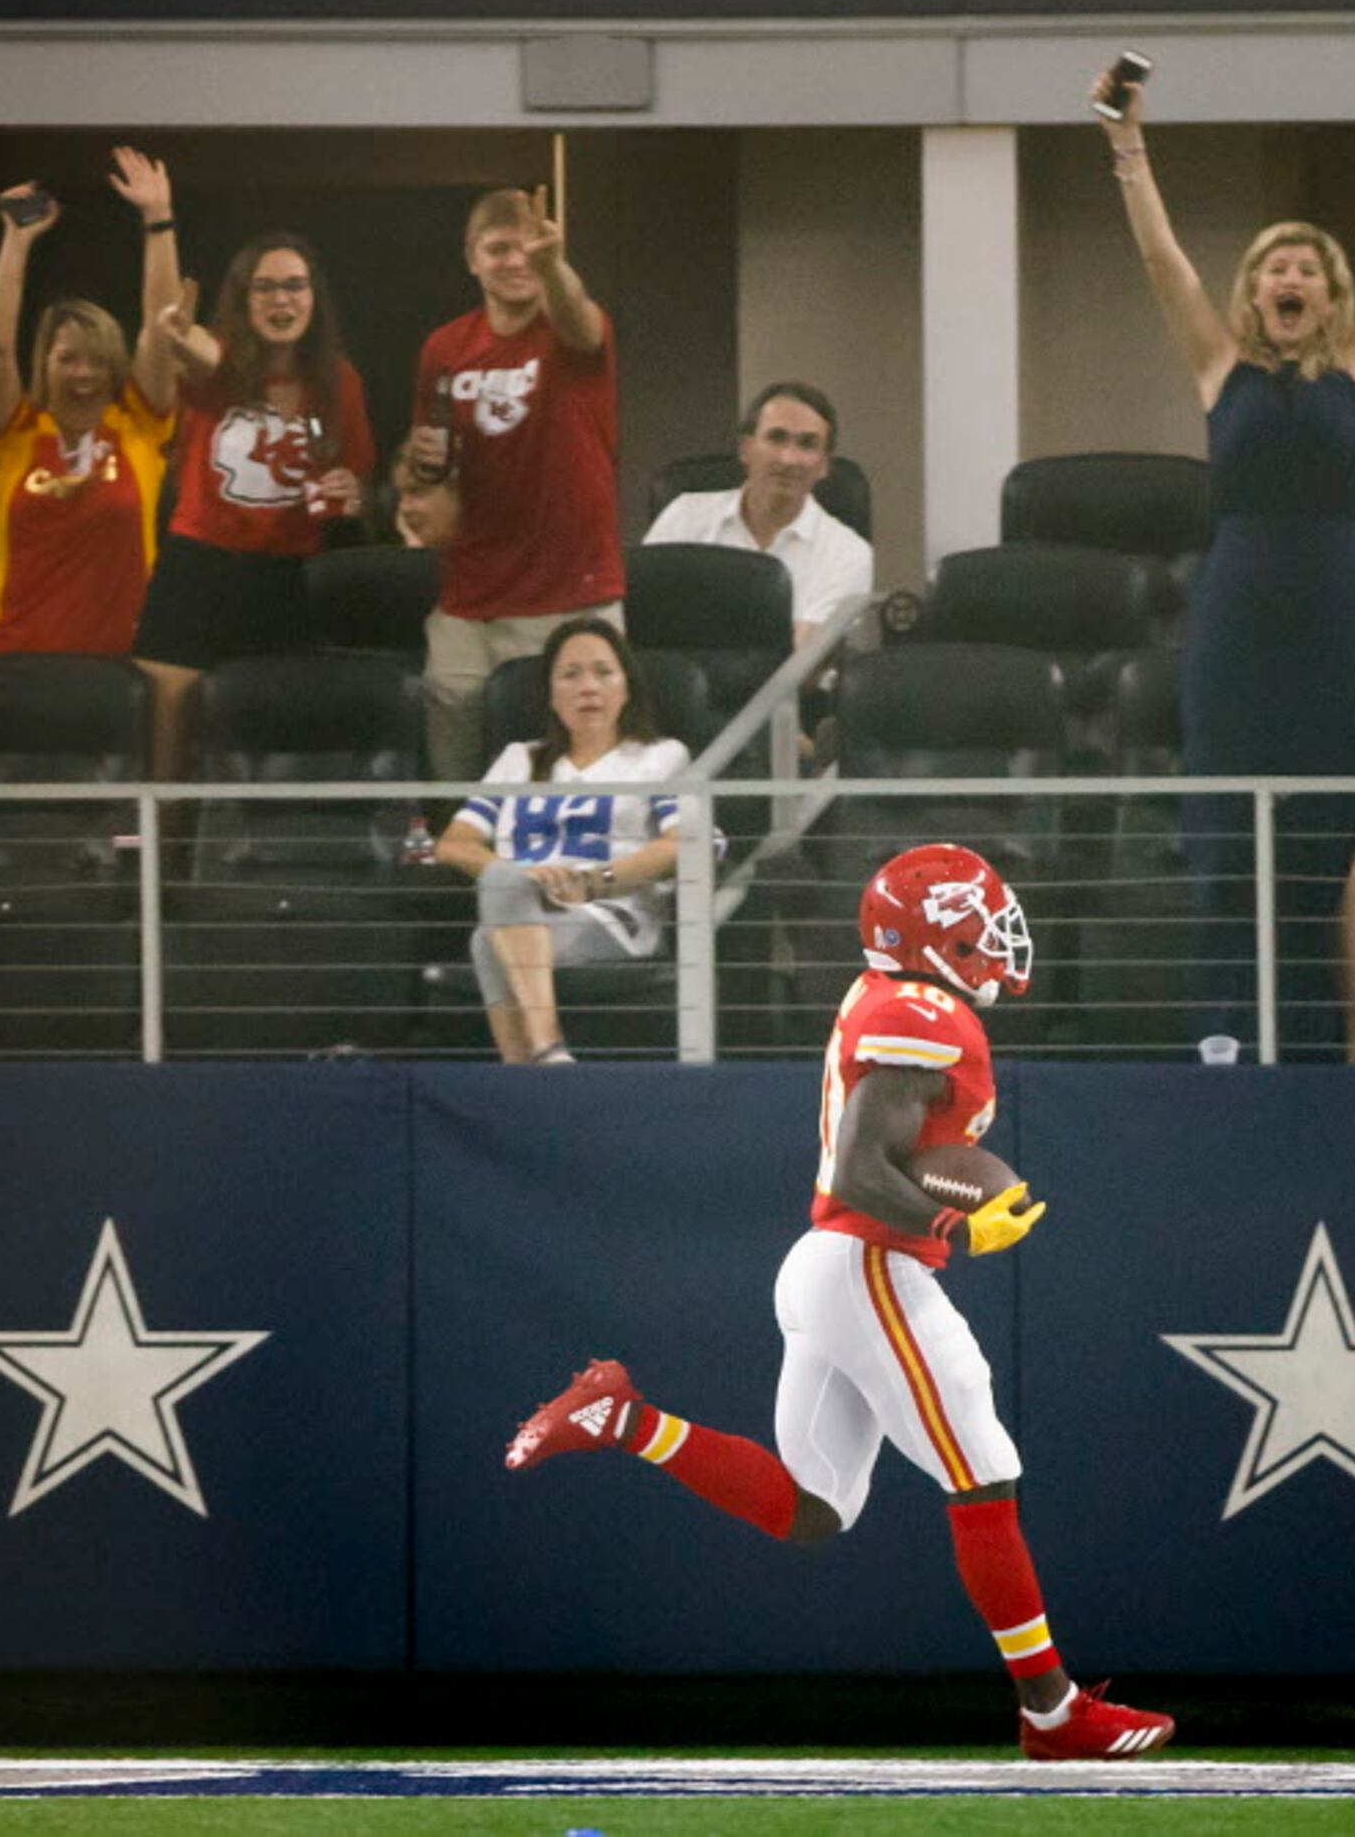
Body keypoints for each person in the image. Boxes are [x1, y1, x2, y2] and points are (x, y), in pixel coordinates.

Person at [504, 842, 1177, 1760]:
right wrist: (958, 1232)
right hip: (869, 1266)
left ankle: (624, 1419)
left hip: (836, 1269)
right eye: (978, 924)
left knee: (814, 1507)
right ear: (935, 935)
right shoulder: (920, 1013)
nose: (996, 938)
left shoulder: (899, 1000)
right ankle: (1053, 1713)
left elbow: (881, 1160)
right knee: (984, 1477)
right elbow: (865, 1172)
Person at [1099, 38, 1355, 1065]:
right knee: (1228, 849)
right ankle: (1227, 1042)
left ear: (1329, 290)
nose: (1289, 275)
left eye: (1307, 265)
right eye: (1273, 265)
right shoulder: (1219, 368)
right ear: (1253, 291)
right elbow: (1160, 261)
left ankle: (1334, 1053)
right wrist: (1127, 147)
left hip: (1337, 627)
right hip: (1237, 627)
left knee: (1325, 856)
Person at [134, 231, 375, 777]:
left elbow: (352, 486)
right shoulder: (218, 355)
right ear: (243, 300)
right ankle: (162, 858)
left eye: (294, 286)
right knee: (167, 743)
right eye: (263, 288)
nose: (280, 301)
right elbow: (186, 343)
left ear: (315, 298)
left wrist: (349, 495)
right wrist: (159, 221)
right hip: (199, 567)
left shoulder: (339, 379)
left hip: (290, 577)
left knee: (269, 741)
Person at [411, 186, 626, 782]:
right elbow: (425, 470)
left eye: (526, 249)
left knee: (568, 742)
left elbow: (581, 323)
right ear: (471, 258)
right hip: (474, 583)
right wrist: (420, 466)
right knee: (450, 705)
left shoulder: (570, 330)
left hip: (569, 581)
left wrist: (552, 264)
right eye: (498, 248)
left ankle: (565, 860)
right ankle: (461, 846)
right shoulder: (445, 348)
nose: (514, 261)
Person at [432, 616, 690, 1065]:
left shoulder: (659, 757)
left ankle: (533, 1059)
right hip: (519, 907)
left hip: (610, 916)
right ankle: (545, 1061)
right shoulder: (519, 759)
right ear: (551, 695)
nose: (588, 686)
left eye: (603, 672)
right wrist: (523, 877)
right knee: (500, 892)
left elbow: (682, 844)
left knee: (485, 939)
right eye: (570, 675)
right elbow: (454, 843)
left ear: (626, 686)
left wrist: (594, 881)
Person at [0, 149, 180, 657]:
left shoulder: (140, 428)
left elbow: (163, 330)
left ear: (115, 367)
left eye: (98, 360)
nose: (83, 373)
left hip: (121, 671)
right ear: (45, 364)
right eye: (68, 359)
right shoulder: (16, 434)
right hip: (8, 659)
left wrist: (158, 219)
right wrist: (16, 243)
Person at [644, 381, 874, 658]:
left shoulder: (849, 553)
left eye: (807, 444)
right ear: (746, 449)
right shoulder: (684, 517)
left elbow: (802, 663)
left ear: (824, 465)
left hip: (790, 698)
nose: (789, 458)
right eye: (776, 438)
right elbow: (643, 622)